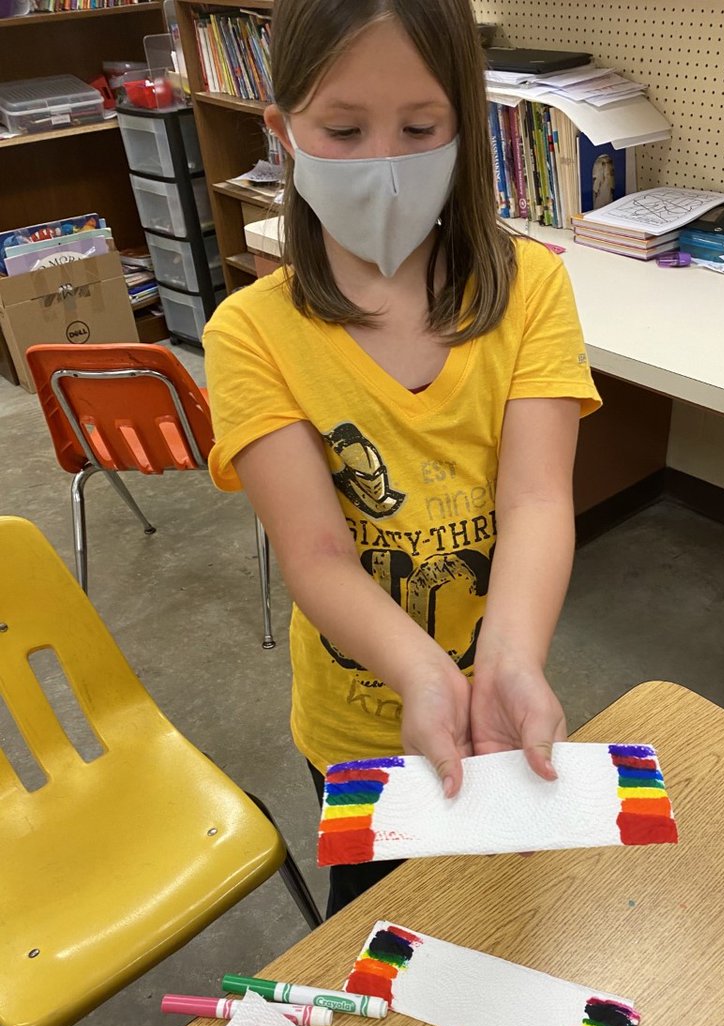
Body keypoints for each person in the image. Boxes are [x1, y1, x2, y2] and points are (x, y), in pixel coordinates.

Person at [203, 0, 601, 916]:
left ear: (465, 126)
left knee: (506, 913)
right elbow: (317, 554)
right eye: (342, 130)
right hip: (355, 724)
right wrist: (426, 675)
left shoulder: (533, 287)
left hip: (501, 696)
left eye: (420, 128)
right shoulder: (250, 335)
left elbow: (538, 500)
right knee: (386, 924)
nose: (383, 164)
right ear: (283, 134)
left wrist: (506, 659)